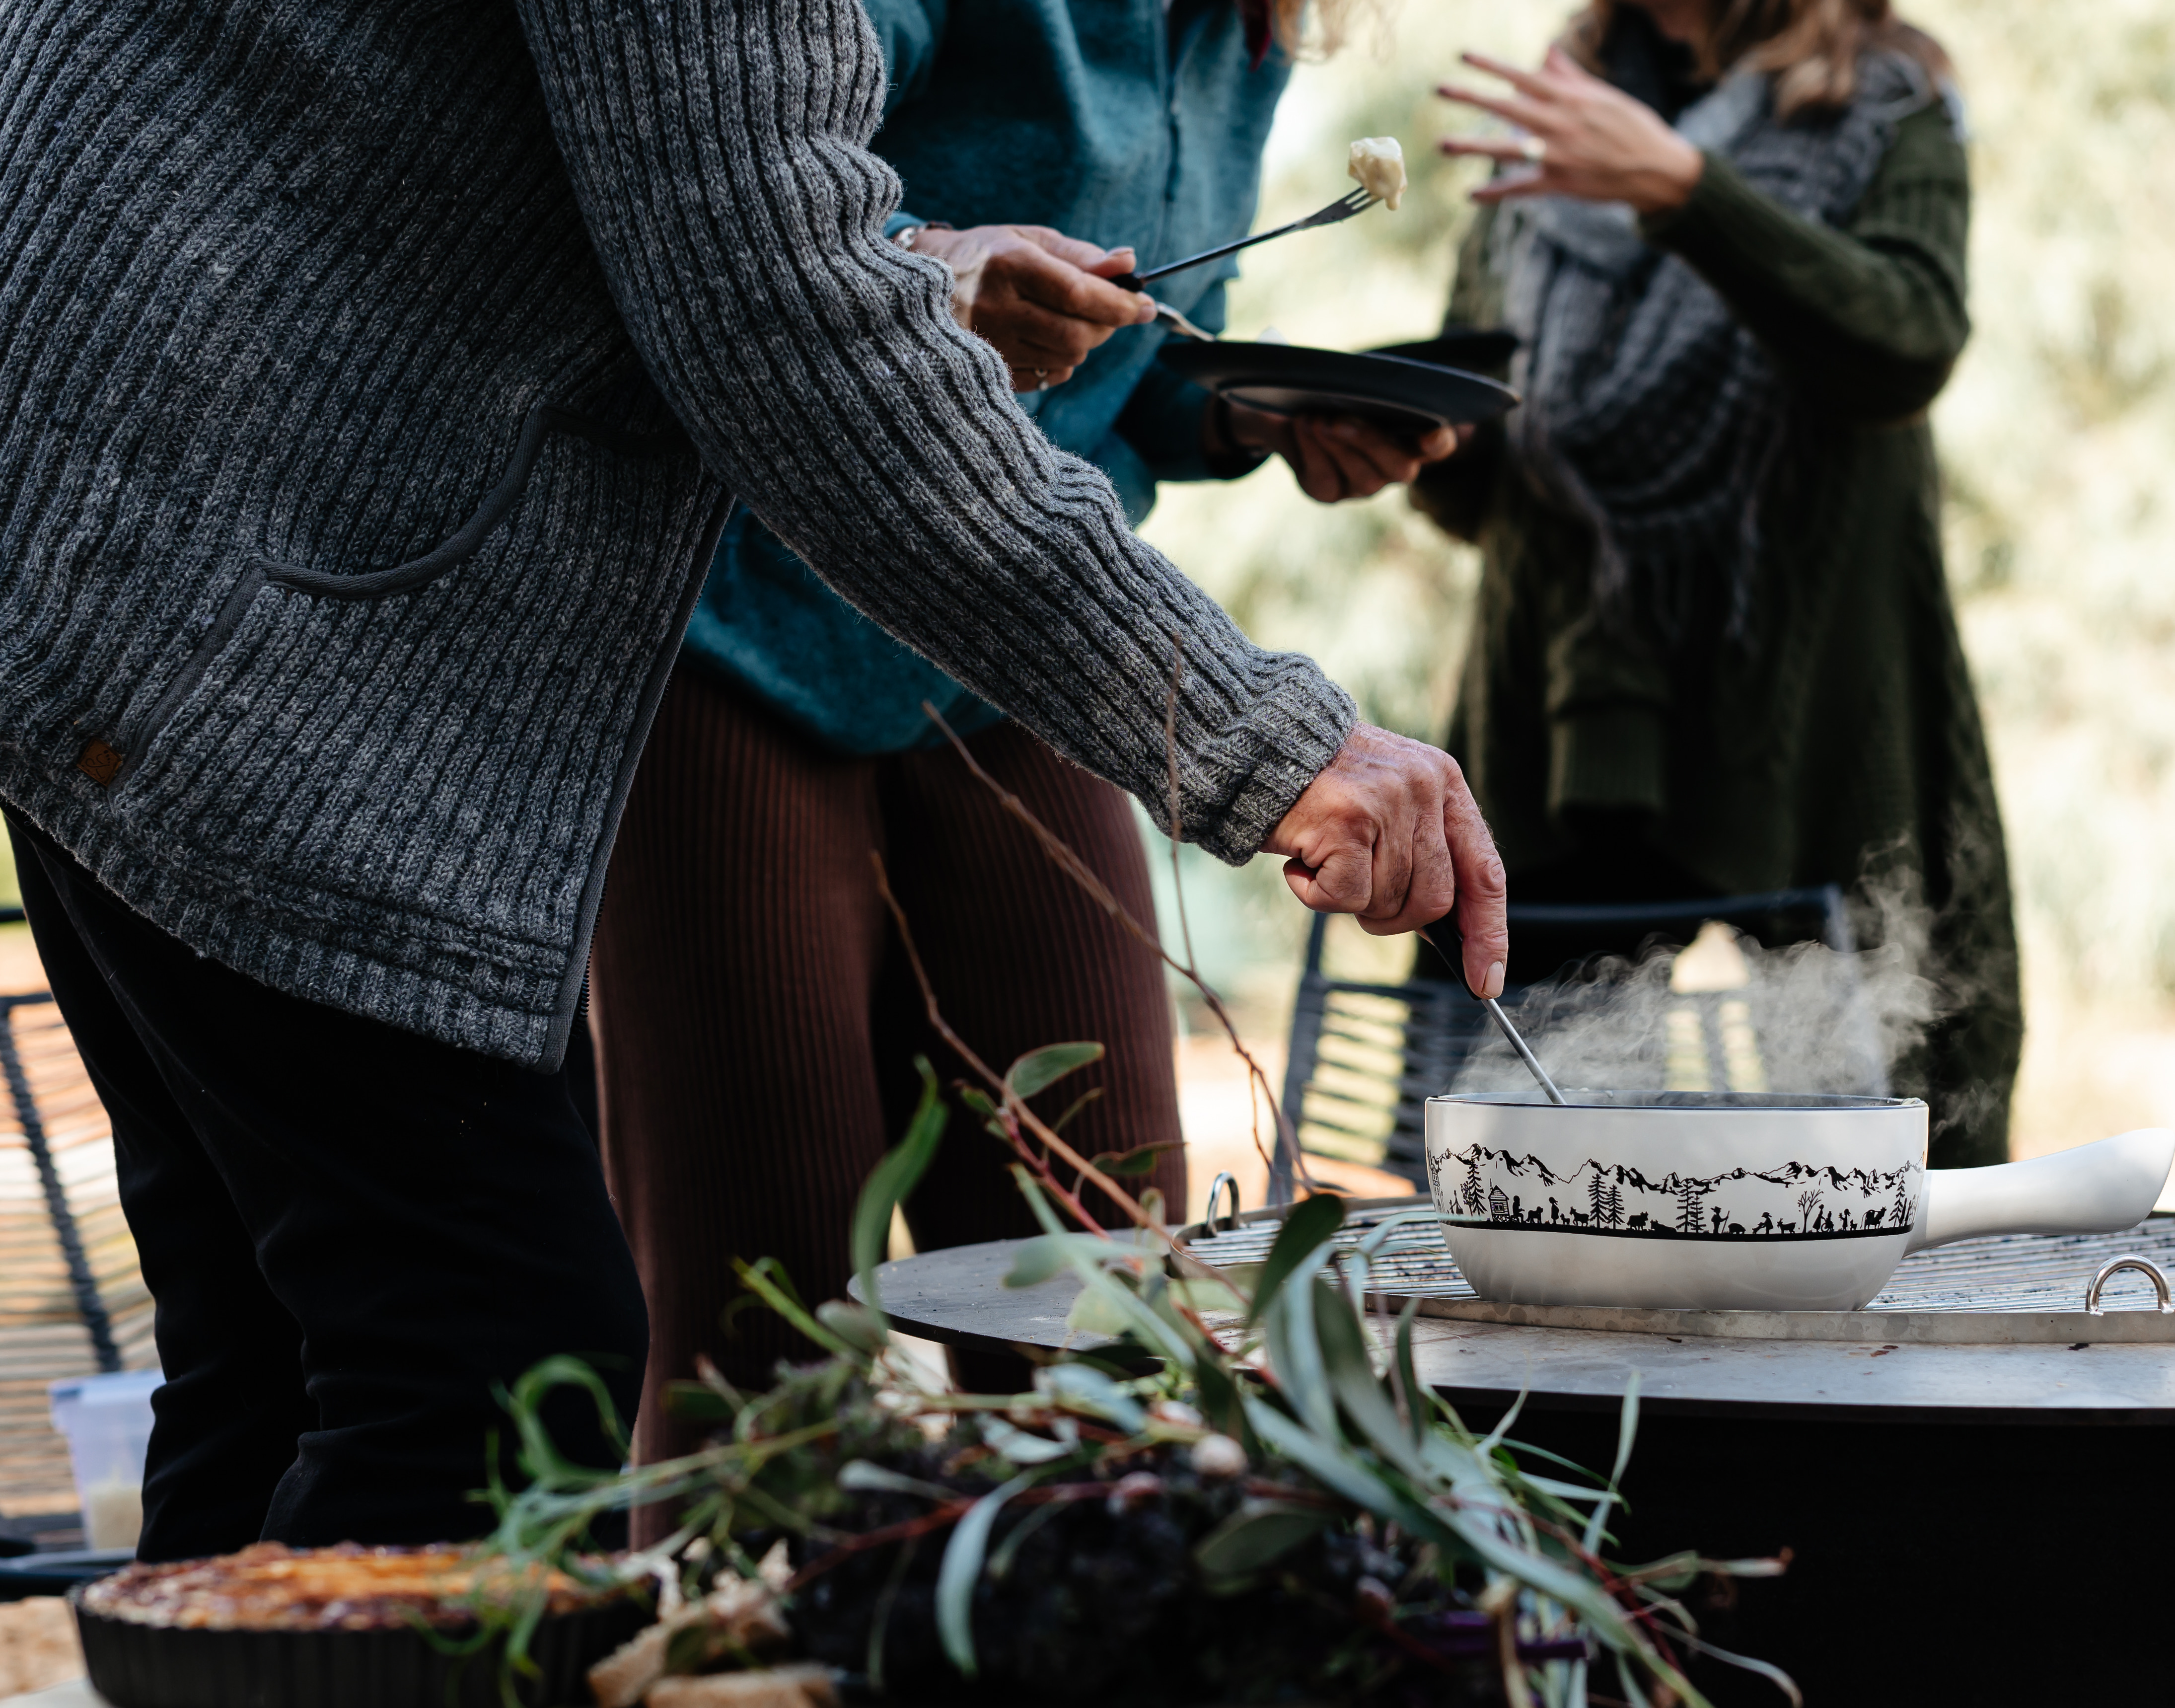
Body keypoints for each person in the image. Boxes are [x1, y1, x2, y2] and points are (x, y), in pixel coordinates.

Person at [0, 0, 1505, 1559]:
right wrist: (1259, 731)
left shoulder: (1241, 42)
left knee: (297, 1357)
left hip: (142, 546)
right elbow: (775, 288)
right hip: (253, 577)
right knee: (497, 1369)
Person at [588, 0, 1458, 1451]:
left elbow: (1115, 362)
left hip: (1016, 655)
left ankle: (1087, 1636)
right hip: (737, 632)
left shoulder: (1243, 38)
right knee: (773, 1328)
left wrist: (1240, 416)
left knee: (1111, 1296)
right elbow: (737, 229)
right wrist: (932, 263)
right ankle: (727, 1662)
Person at [1412, 0, 2019, 1167]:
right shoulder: (1561, 107)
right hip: (1562, 727)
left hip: (1800, 731)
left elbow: (1907, 339)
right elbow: (1484, 464)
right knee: (1508, 1178)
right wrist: (1400, 433)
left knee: (1865, 1190)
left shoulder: (1884, 101)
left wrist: (1689, 191)